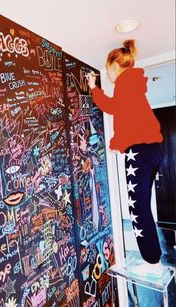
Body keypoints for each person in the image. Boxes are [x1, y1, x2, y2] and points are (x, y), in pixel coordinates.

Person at [86, 39, 164, 278]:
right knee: (142, 206)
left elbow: (112, 107)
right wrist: (116, 143)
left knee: (137, 208)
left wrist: (93, 87)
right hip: (151, 149)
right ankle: (153, 260)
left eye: (106, 68)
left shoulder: (125, 82)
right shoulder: (133, 84)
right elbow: (129, 118)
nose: (107, 74)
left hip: (140, 150)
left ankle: (152, 262)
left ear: (113, 65)